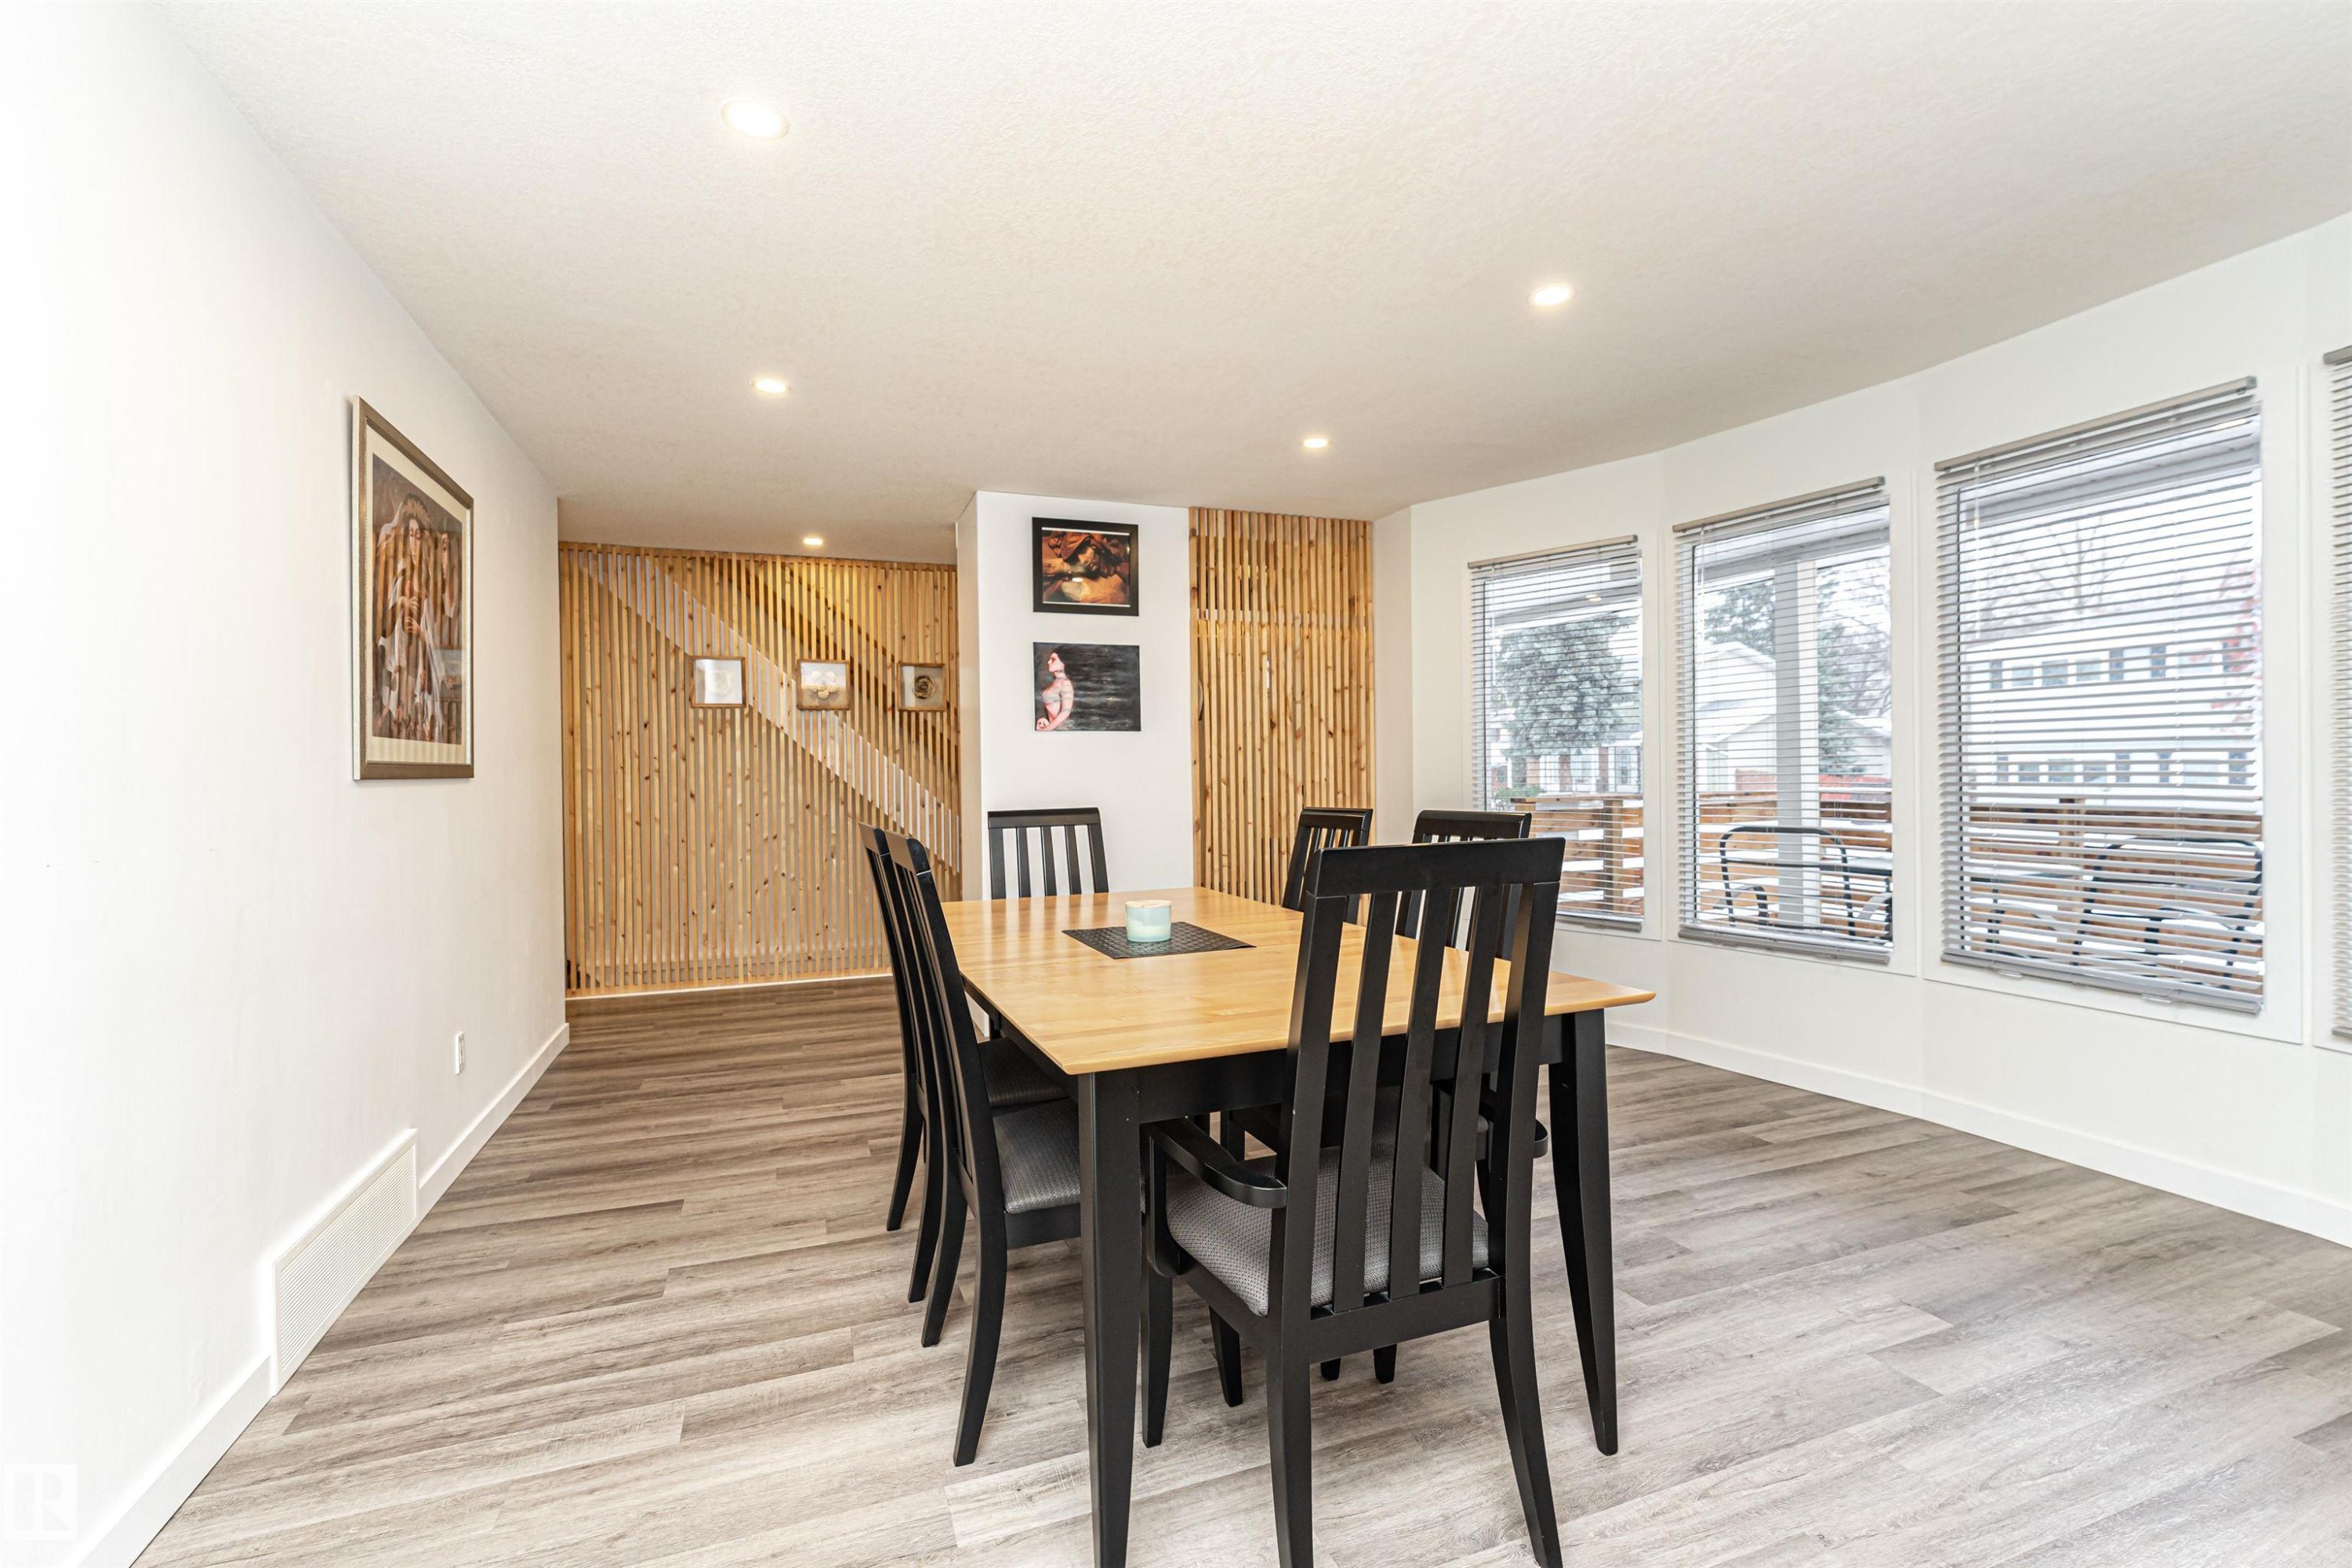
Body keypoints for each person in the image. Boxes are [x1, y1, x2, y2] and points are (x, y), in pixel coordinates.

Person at [1036, 648, 1074, 731]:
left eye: (1053, 660)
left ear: (1062, 664)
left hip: (1063, 728)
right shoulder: (1056, 682)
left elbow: (1065, 712)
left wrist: (1046, 731)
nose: (1049, 662)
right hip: (1054, 728)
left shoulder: (1065, 683)